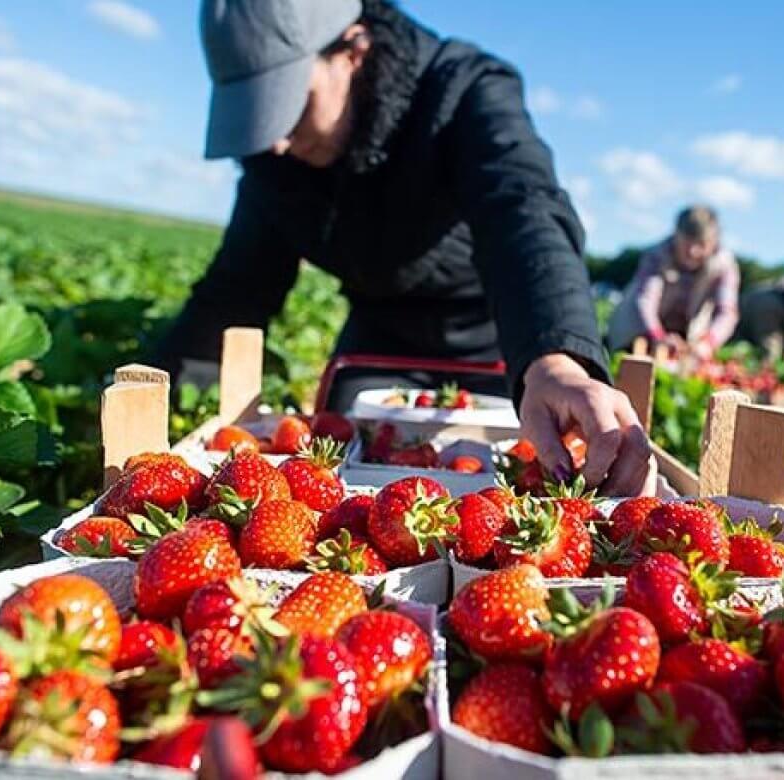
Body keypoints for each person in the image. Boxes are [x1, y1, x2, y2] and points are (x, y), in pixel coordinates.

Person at [155, 0, 653, 495]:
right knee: (346, 471)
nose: (277, 141)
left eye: (289, 104)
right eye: (256, 115)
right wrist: (169, 401)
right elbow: (239, 285)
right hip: (378, 335)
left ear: (354, 49)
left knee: (513, 475)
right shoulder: (275, 154)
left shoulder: (461, 91)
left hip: (498, 334)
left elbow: (522, 212)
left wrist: (554, 356)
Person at [606, 206, 741, 360]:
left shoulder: (725, 265)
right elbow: (645, 300)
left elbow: (726, 311)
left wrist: (708, 342)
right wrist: (657, 335)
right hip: (641, 329)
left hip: (690, 336)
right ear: (676, 235)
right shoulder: (656, 256)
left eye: (702, 244)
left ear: (714, 241)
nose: (693, 252)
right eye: (687, 243)